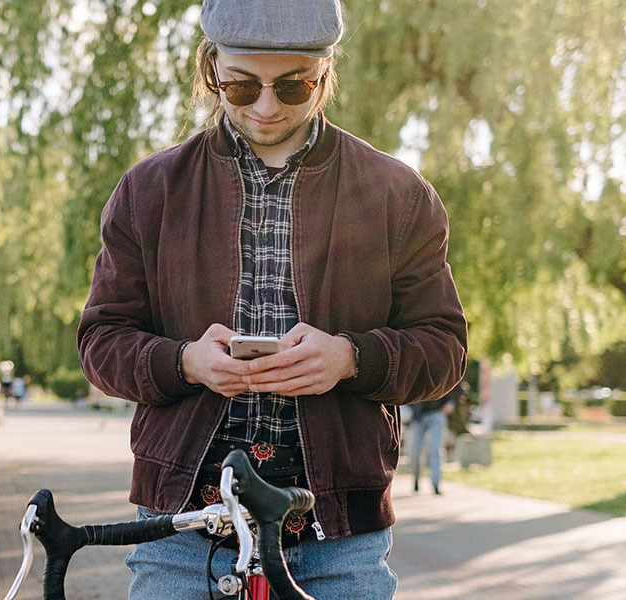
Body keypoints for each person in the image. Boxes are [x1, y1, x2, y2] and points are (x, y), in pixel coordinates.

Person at [75, 0, 468, 598]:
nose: (265, 106)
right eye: (240, 85)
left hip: (339, 536)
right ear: (212, 70)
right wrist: (183, 362)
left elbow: (443, 349)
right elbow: (101, 341)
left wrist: (350, 358)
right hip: (182, 530)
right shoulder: (149, 190)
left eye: (293, 85)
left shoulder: (396, 193)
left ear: (325, 71)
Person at [405, 382, 464, 495]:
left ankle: (436, 484)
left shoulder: (440, 364)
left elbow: (458, 385)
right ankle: (416, 480)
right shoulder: (414, 366)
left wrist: (451, 403)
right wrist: (410, 406)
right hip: (418, 417)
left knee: (435, 450)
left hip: (437, 414)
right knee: (416, 453)